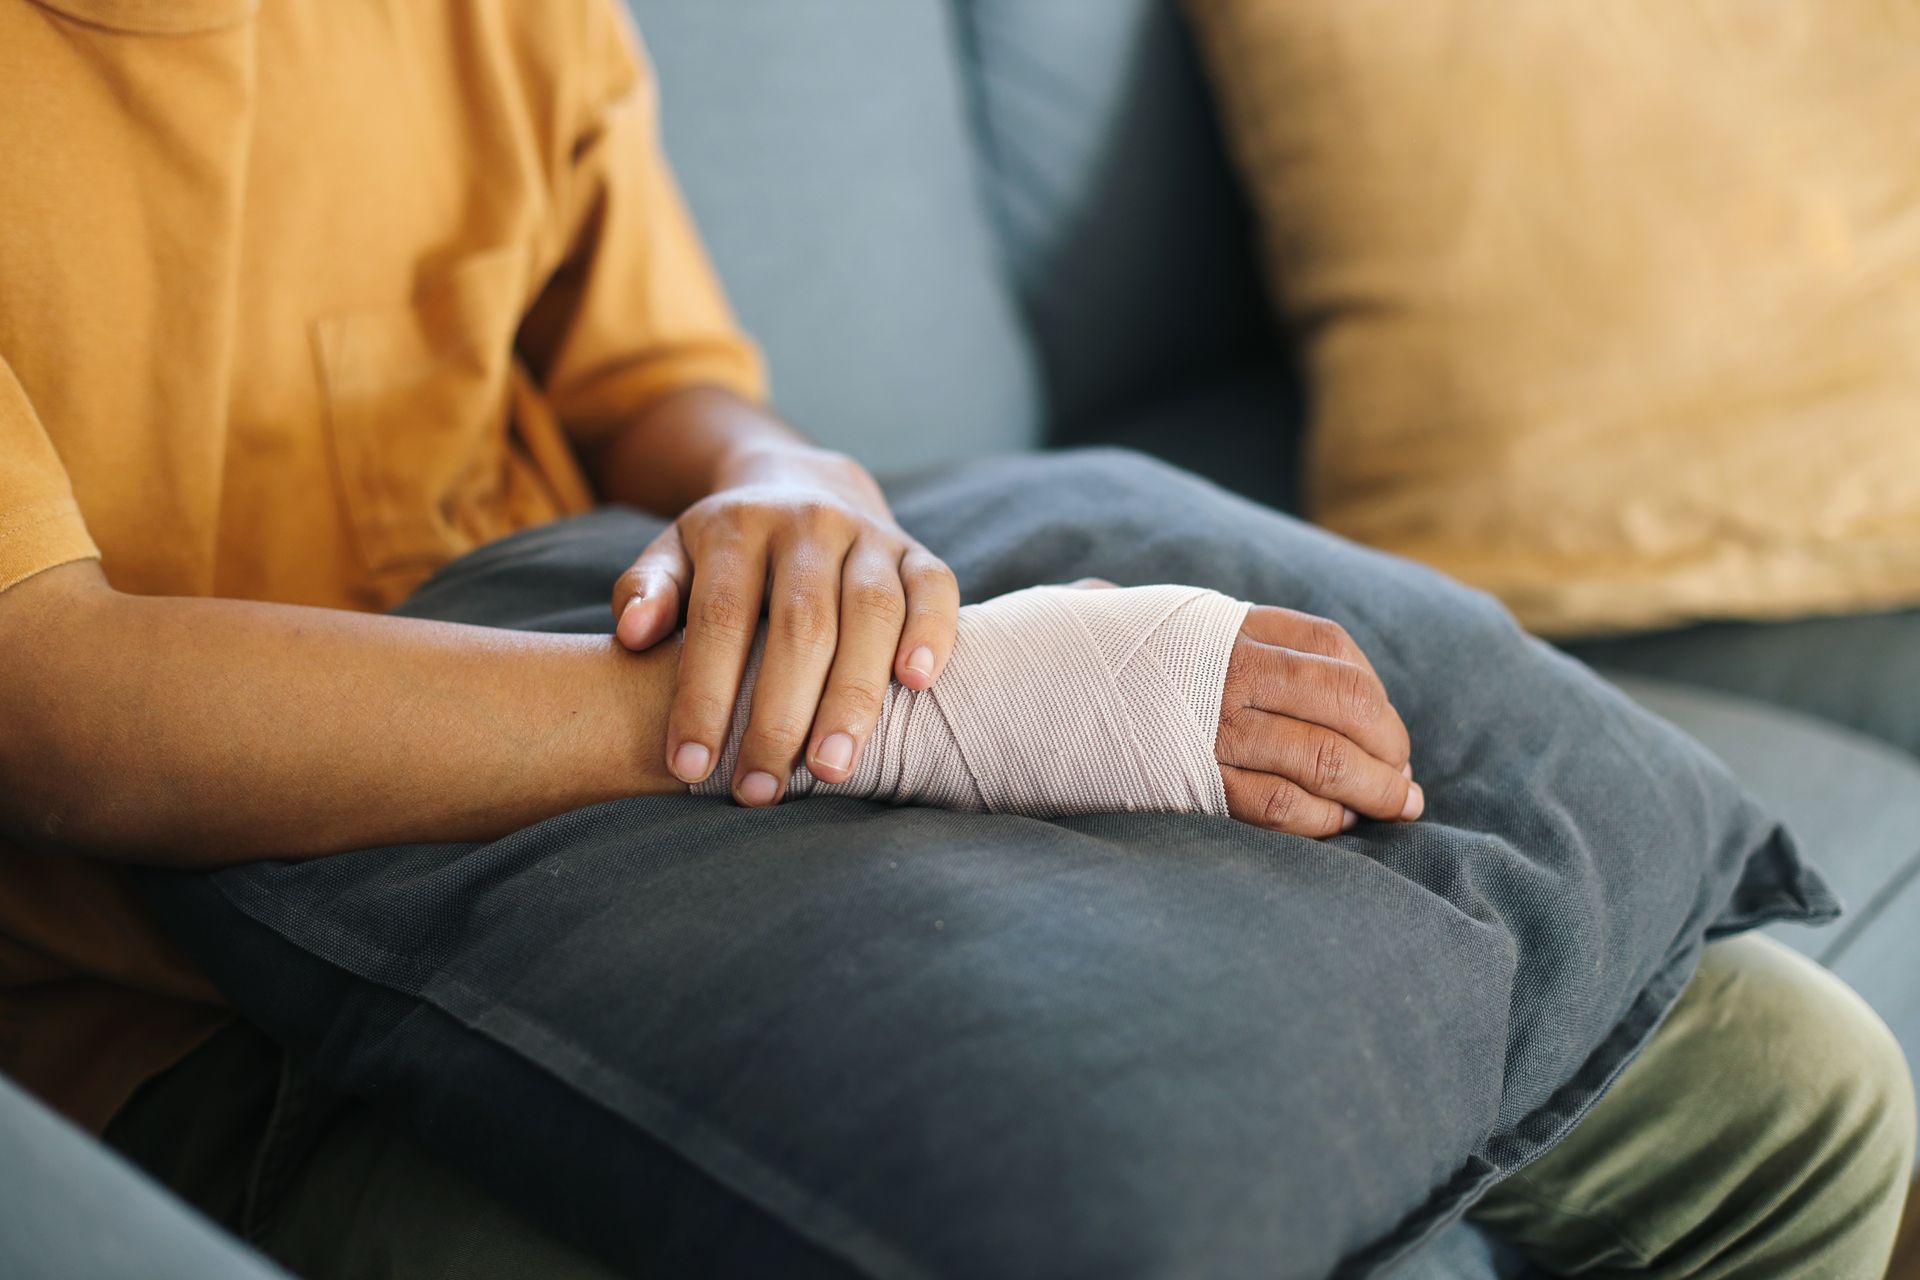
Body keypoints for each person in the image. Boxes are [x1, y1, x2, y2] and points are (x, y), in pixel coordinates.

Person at [0, 3, 1907, 1277]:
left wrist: (795, 492)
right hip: (199, 1005)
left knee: (1792, 1087)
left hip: (661, 763)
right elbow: (56, 707)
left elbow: (656, 375)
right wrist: (858, 710)